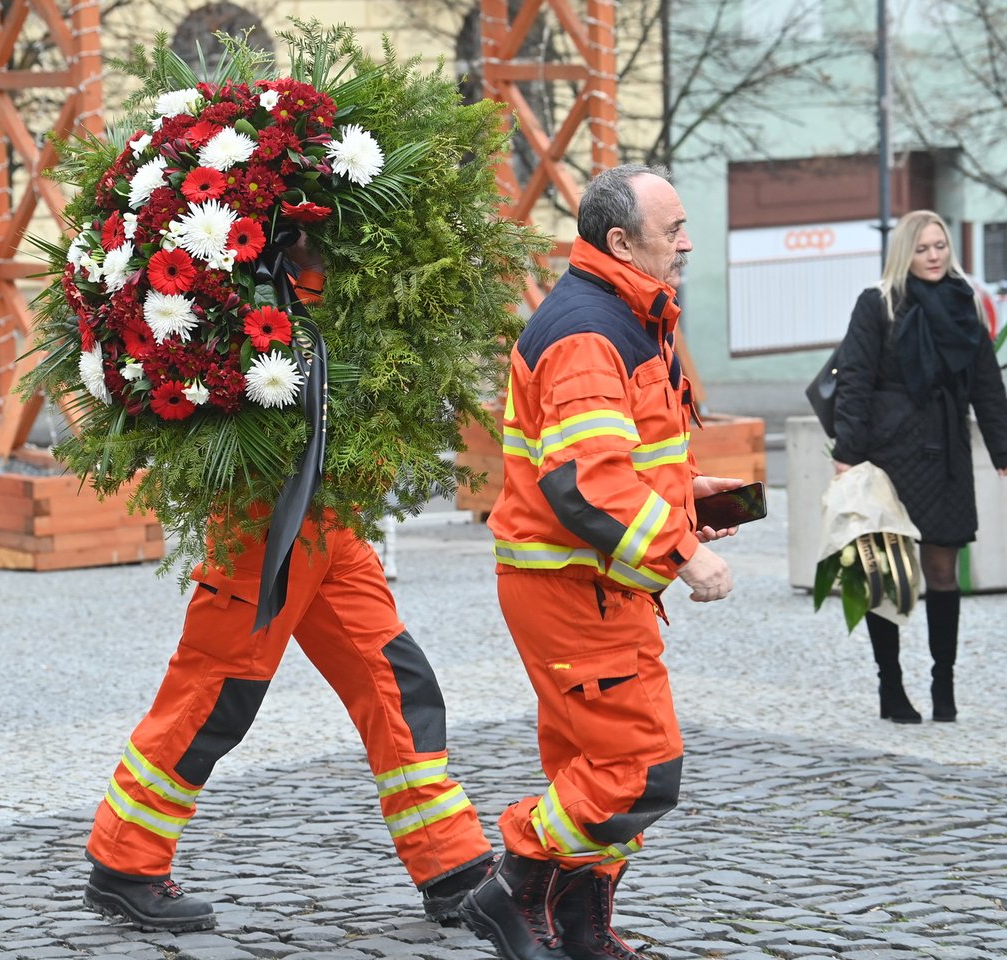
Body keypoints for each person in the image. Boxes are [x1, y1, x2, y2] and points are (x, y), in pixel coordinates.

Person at [81, 256, 493, 933]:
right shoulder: (257, 259)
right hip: (264, 512)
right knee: (215, 695)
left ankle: (452, 864)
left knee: (395, 679)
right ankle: (125, 861)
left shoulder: (351, 251)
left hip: (331, 512)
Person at [459, 164, 739, 960]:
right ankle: (511, 887)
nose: (686, 242)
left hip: (589, 584)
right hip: (575, 588)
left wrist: (687, 492)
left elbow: (620, 460)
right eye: (672, 230)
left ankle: (581, 932)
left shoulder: (622, 313)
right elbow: (586, 482)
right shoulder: (591, 330)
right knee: (637, 772)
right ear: (620, 240)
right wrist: (682, 550)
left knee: (595, 764)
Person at [831, 210, 1007, 724]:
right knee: (884, 575)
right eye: (923, 248)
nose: (934, 256)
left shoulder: (965, 304)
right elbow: (853, 381)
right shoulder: (878, 303)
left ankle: (944, 685)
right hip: (886, 454)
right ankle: (890, 688)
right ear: (904, 253)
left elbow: (986, 380)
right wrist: (846, 454)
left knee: (942, 570)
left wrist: (1004, 450)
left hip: (946, 453)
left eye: (940, 246)